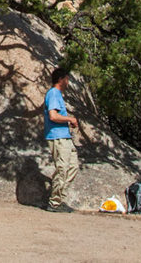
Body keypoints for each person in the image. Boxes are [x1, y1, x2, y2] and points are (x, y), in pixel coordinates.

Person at [44, 66, 79, 212]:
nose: (68, 82)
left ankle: (58, 198)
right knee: (62, 168)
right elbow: (53, 116)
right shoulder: (53, 93)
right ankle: (54, 203)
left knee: (73, 167)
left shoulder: (58, 94)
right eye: (67, 79)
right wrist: (70, 119)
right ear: (61, 79)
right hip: (57, 137)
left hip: (65, 136)